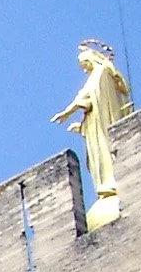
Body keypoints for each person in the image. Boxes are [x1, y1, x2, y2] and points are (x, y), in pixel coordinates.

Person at [53, 40, 134, 228]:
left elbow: (84, 99)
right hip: (94, 127)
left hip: (102, 127)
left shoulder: (99, 75)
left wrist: (65, 113)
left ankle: (110, 183)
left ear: (92, 60)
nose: (84, 69)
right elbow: (90, 106)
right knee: (96, 157)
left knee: (103, 152)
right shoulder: (98, 76)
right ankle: (106, 184)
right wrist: (82, 126)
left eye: (85, 64)